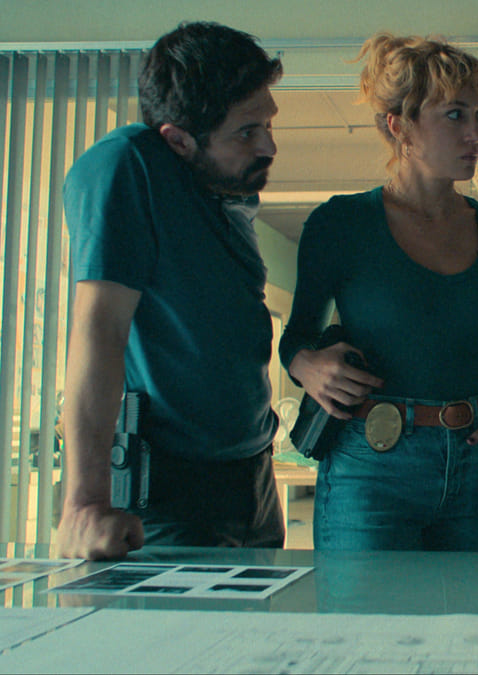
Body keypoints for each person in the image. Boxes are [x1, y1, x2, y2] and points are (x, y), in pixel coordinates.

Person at [278, 34, 478, 552]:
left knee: (474, 607)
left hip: (477, 461)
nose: (475, 133)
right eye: (455, 115)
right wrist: (308, 366)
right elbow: (296, 337)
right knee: (364, 608)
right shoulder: (341, 224)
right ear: (399, 126)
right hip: (371, 465)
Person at [59, 22, 284, 558]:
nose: (269, 145)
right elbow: (99, 329)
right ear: (178, 139)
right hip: (171, 492)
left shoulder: (222, 189)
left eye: (268, 123)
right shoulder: (128, 164)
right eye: (246, 132)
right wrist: (85, 503)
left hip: (253, 476)